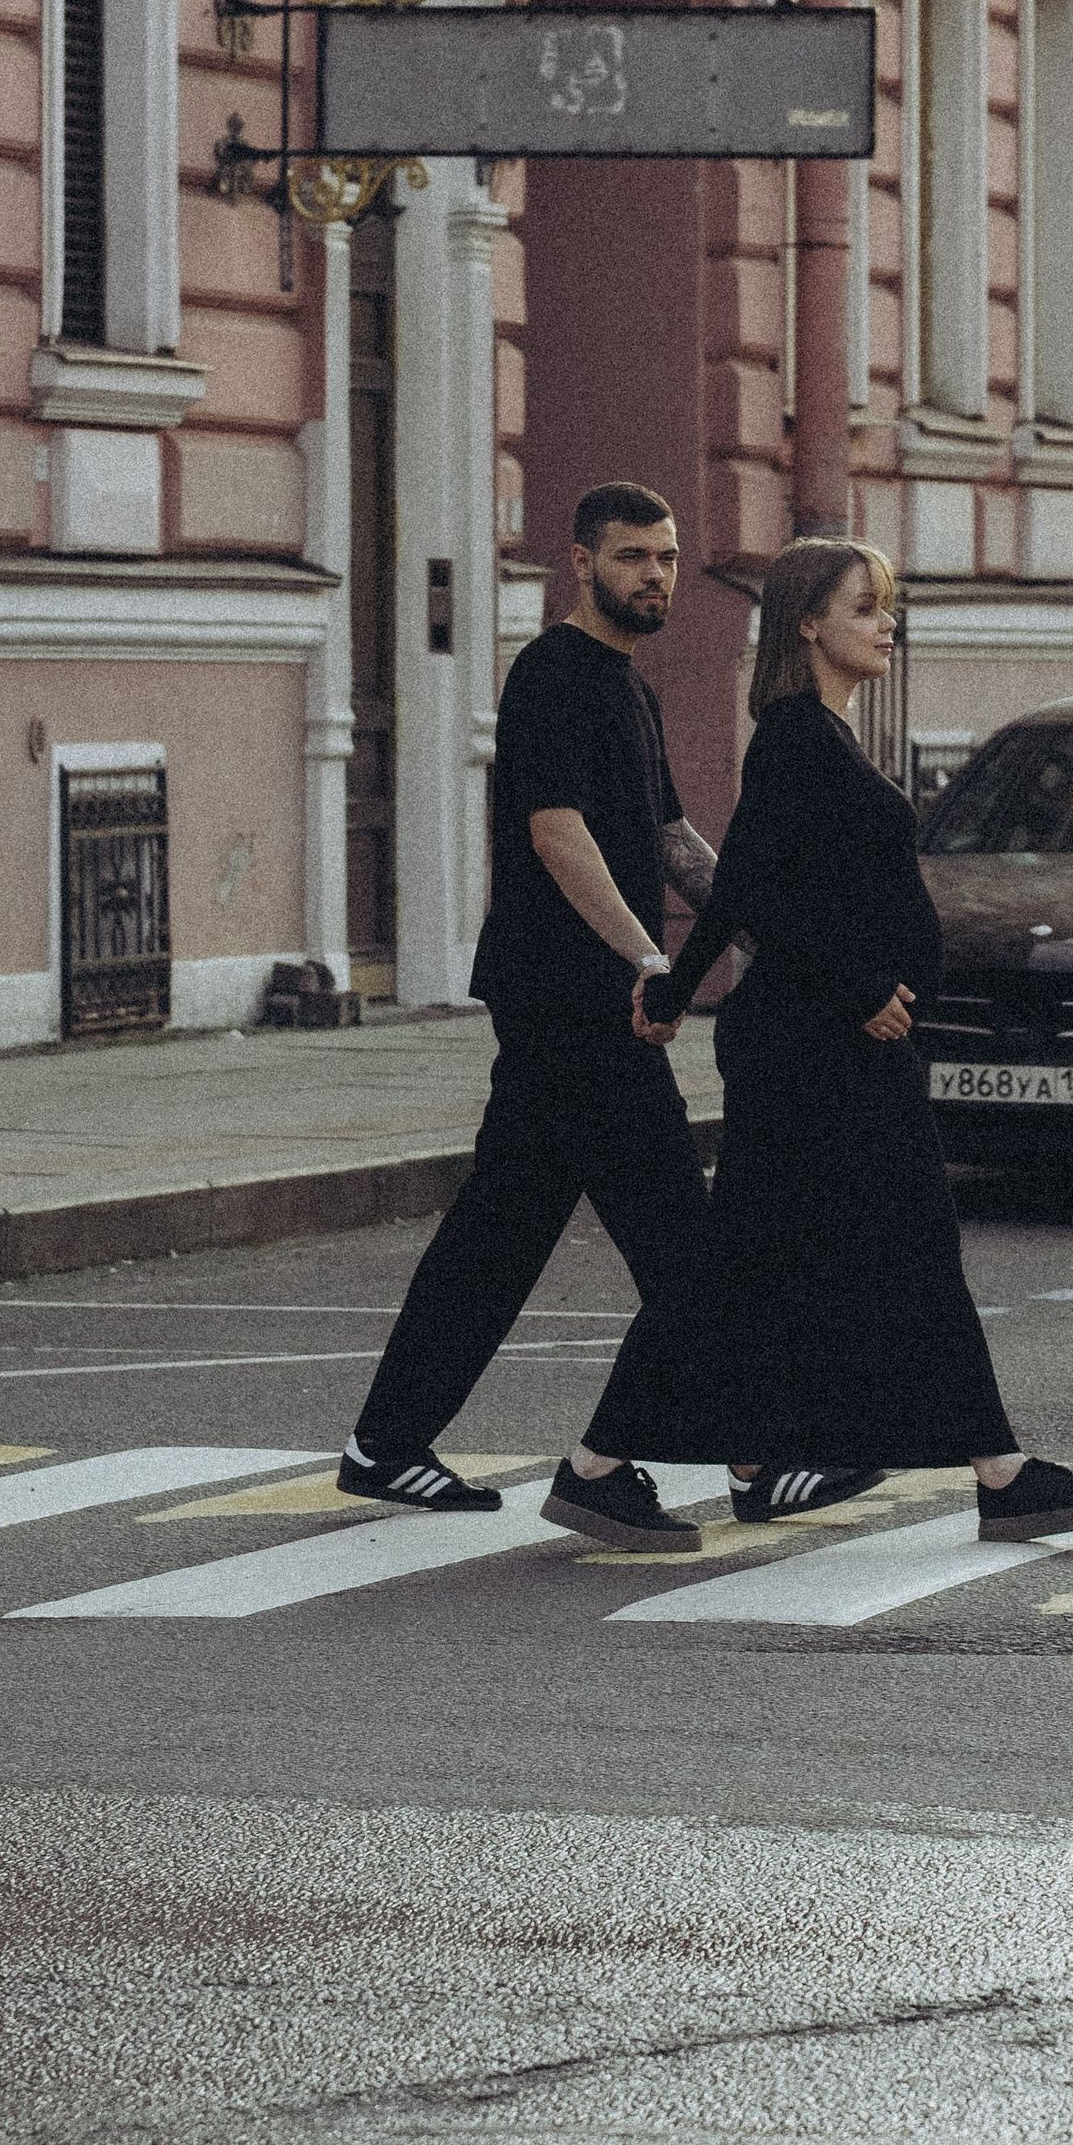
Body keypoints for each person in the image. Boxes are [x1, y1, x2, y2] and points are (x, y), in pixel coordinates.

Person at [609, 537, 1073, 1544]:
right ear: (807, 622)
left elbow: (748, 881)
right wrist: (846, 987)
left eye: (887, 607)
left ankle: (961, 1467)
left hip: (822, 1040)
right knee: (866, 1251)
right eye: (866, 608)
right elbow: (759, 889)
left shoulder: (815, 737)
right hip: (816, 1045)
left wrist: (680, 988)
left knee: (779, 1258)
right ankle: (999, 1473)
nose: (885, 623)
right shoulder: (797, 736)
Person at [338, 480, 730, 1552]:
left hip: (581, 1001)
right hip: (571, 1001)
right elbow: (560, 835)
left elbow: (671, 843)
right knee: (675, 1236)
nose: (655, 574)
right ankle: (740, 1452)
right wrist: (651, 959)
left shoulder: (628, 688)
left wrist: (767, 934)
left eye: (666, 555)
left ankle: (386, 1444)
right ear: (580, 562)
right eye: (632, 557)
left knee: (497, 1236)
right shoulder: (553, 678)